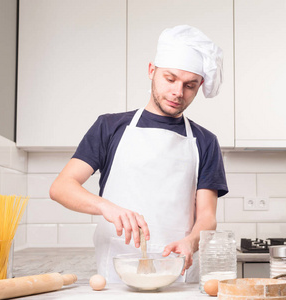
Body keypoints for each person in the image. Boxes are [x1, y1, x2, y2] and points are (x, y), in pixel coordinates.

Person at [49, 24, 228, 283]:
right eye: (170, 79)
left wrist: (191, 242)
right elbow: (61, 187)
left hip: (177, 276)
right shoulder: (109, 127)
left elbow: (207, 217)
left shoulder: (205, 141)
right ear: (151, 71)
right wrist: (106, 207)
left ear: (199, 86)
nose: (178, 92)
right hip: (116, 275)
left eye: (189, 85)